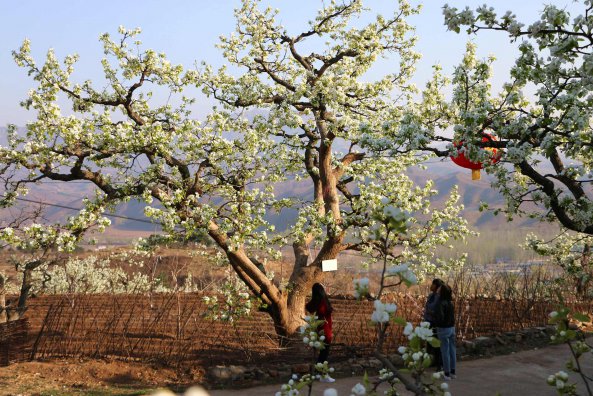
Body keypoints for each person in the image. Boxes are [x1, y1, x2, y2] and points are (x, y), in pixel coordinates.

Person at [305, 283, 334, 382]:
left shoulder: (317, 302)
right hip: (326, 330)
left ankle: (318, 374)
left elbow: (308, 307)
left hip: (320, 330)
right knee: (324, 354)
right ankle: (323, 375)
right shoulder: (324, 301)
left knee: (322, 354)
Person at [434, 284, 456, 380]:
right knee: (452, 350)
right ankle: (453, 372)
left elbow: (440, 317)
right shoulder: (450, 302)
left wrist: (435, 319)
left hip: (443, 328)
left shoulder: (440, 302)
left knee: (445, 351)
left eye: (439, 288)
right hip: (451, 328)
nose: (438, 289)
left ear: (442, 291)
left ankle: (446, 374)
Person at [423, 278, 444, 370]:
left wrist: (431, 311)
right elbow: (428, 308)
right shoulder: (431, 295)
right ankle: (431, 362)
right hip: (428, 322)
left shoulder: (439, 297)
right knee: (429, 344)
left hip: (435, 322)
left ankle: (439, 364)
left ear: (437, 286)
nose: (431, 286)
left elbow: (433, 307)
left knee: (436, 344)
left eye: (433, 284)